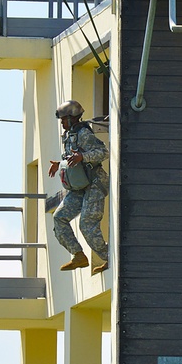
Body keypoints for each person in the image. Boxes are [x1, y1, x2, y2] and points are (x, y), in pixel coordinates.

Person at [48, 100, 109, 274]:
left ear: (72, 118)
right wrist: (59, 164)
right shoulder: (68, 136)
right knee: (59, 218)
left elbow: (102, 152)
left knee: (87, 223)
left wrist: (83, 156)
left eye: (63, 119)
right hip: (78, 187)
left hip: (94, 184)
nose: (61, 123)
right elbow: (72, 160)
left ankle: (109, 257)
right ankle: (78, 255)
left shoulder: (83, 133)